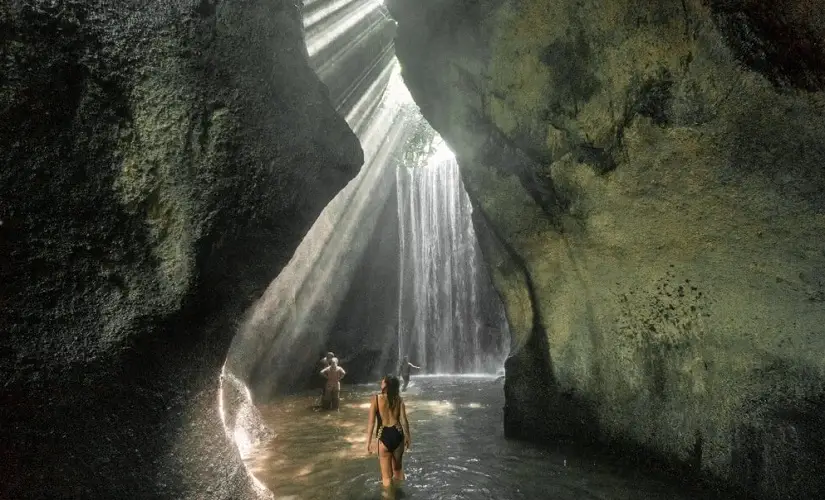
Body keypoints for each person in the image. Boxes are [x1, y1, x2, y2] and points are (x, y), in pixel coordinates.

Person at [365, 375, 411, 490]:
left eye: (383, 381)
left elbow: (371, 423)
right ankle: (402, 493)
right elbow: (404, 421)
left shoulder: (375, 399)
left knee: (386, 478)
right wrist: (408, 437)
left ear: (386, 385)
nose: (381, 382)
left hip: (383, 435)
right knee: (398, 470)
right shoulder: (399, 399)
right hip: (398, 433)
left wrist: (368, 443)